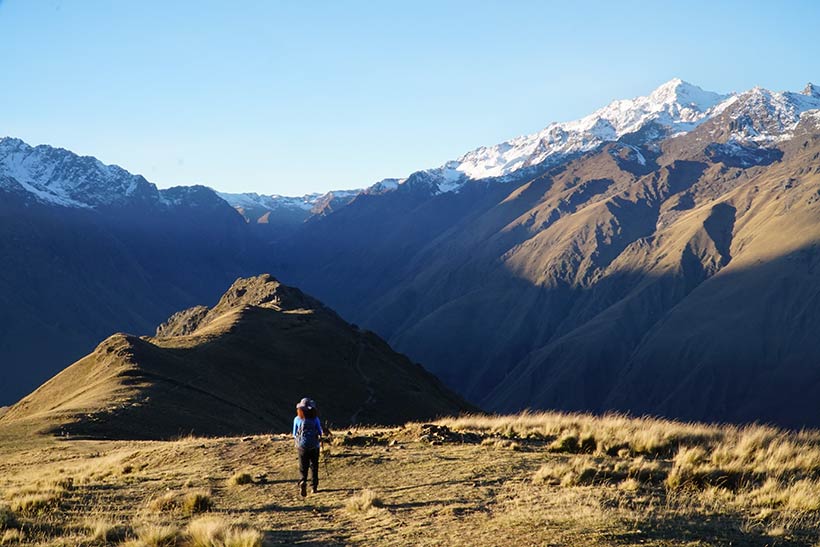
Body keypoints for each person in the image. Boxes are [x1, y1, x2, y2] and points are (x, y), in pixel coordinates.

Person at [293, 397, 323, 496]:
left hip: (301, 446)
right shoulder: (315, 419)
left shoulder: (297, 419)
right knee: (314, 466)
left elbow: (294, 434)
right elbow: (320, 432)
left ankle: (303, 481)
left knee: (303, 466)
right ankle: (314, 487)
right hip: (314, 445)